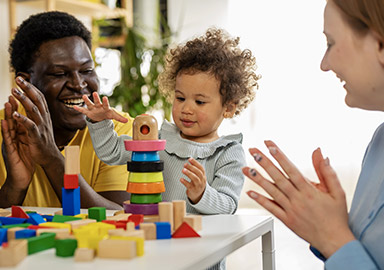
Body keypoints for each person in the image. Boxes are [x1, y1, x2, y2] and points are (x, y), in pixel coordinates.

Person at [242, 0, 384, 269]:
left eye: (330, 43)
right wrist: (323, 222)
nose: (324, 64)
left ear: (380, 44)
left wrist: (334, 238)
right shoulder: (379, 142)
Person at [0, 11, 133, 217]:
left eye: (86, 70)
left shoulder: (119, 131)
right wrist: (14, 187)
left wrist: (52, 160)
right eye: (59, 74)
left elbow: (124, 219)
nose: (78, 84)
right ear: (25, 82)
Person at [75, 28, 260, 215]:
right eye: (180, 98)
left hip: (200, 238)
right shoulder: (158, 138)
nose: (186, 109)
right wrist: (99, 123)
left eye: (200, 102)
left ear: (228, 108)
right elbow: (112, 153)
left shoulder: (228, 153)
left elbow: (228, 205)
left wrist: (202, 193)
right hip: (156, 232)